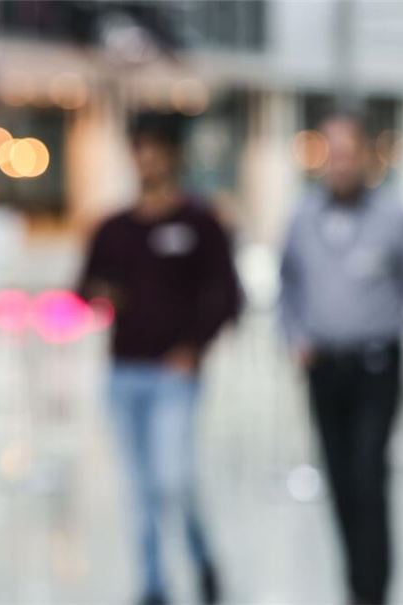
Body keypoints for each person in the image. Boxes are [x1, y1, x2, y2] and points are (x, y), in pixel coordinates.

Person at [75, 112, 240, 605]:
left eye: (156, 149)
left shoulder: (200, 222)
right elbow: (83, 288)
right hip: (124, 372)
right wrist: (103, 294)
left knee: (173, 478)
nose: (147, 159)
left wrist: (195, 348)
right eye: (140, 148)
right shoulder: (114, 228)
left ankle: (201, 555)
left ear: (174, 155)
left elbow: (228, 296)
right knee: (141, 486)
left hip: (174, 376)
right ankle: (152, 583)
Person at [279, 112, 403, 605]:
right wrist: (295, 335)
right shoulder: (303, 218)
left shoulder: (395, 219)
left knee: (368, 476)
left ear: (368, 156)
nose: (340, 163)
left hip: (376, 367)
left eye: (349, 153)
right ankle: (355, 586)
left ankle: (372, 591)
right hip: (324, 368)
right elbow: (289, 286)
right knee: (341, 482)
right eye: (333, 153)